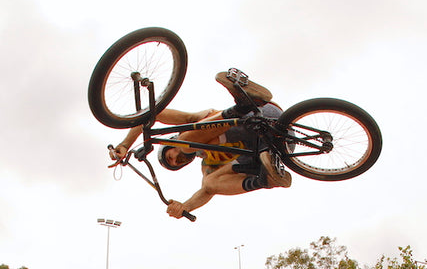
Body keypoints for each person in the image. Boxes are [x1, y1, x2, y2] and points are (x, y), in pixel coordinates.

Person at [108, 70, 292, 219]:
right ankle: (266, 179)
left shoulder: (192, 129)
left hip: (264, 116)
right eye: (175, 164)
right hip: (276, 149)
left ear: (169, 142)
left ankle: (242, 105)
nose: (176, 159)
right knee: (210, 182)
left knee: (187, 141)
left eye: (170, 155)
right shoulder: (207, 164)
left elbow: (151, 116)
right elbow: (207, 191)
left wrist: (125, 144)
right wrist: (184, 207)